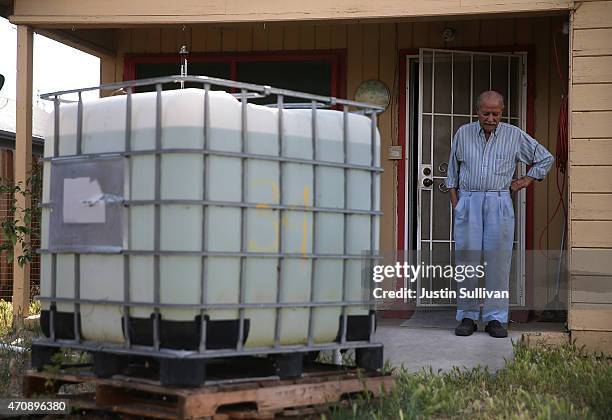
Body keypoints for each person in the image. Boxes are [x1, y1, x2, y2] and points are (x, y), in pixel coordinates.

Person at [445, 90, 554, 338]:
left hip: (499, 200)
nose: (491, 118)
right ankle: (467, 316)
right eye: (486, 113)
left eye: (496, 113)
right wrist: (456, 202)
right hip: (469, 200)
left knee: (498, 261)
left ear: (502, 112)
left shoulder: (514, 136)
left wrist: (525, 180)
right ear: (477, 111)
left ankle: (496, 318)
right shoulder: (463, 133)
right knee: (467, 262)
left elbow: (545, 158)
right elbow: (452, 170)